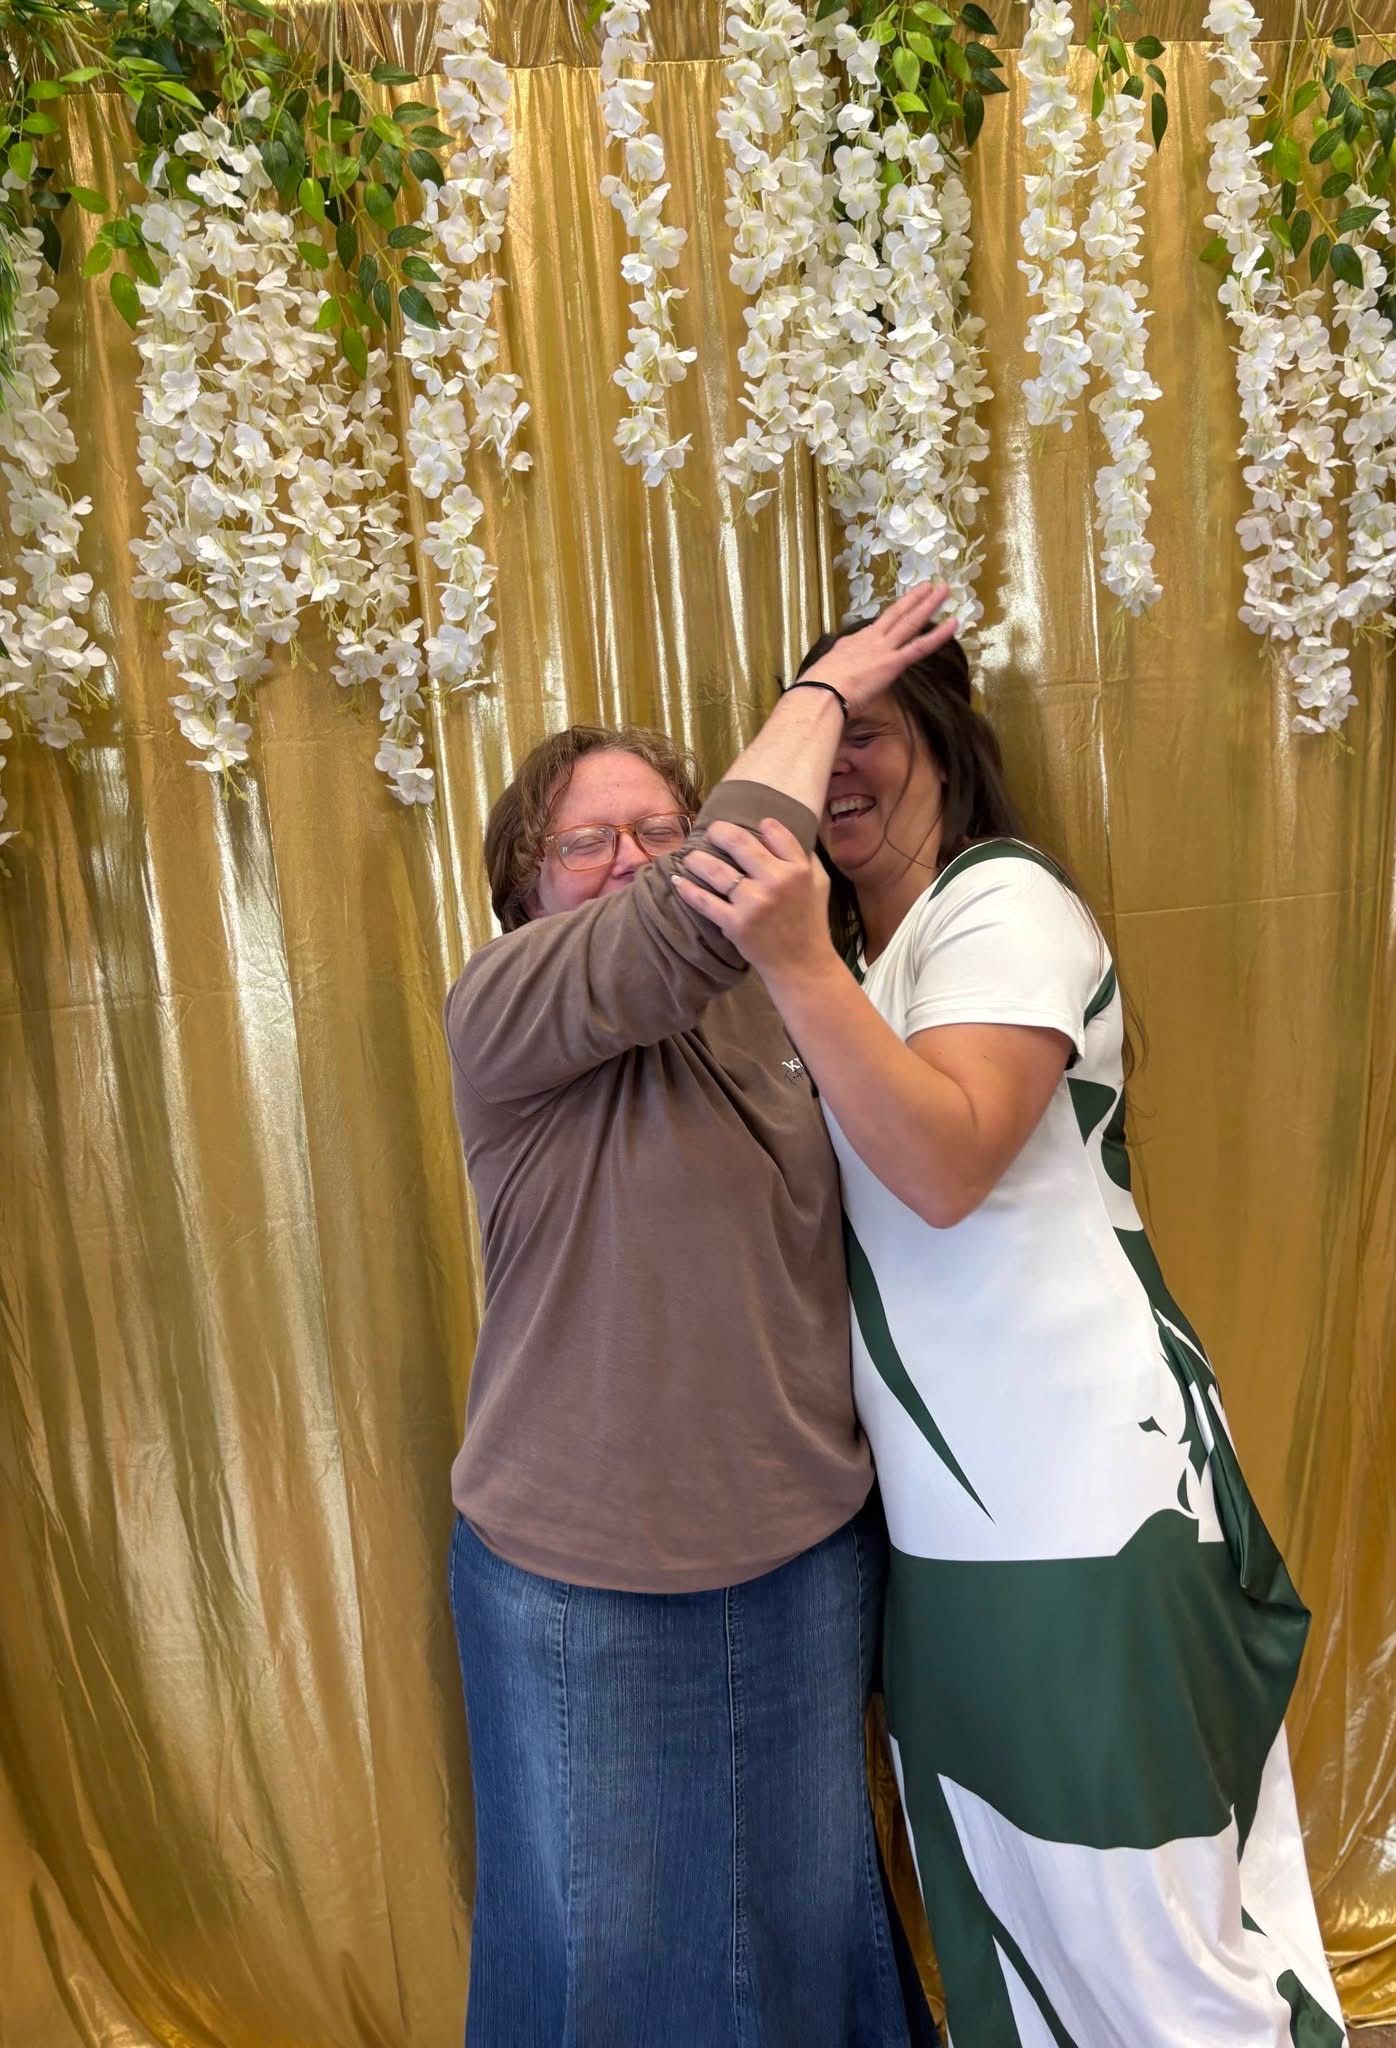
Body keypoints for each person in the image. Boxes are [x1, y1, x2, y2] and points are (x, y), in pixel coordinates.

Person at [674, 624, 1349, 2048]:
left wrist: (795, 960)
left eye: (867, 725)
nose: (838, 766)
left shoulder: (1003, 904)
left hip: (1087, 1499)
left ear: (941, 738)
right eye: (818, 733)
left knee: (1140, 1924)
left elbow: (946, 1164)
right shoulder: (870, 955)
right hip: (945, 1522)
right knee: (1014, 1927)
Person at [441, 591, 954, 2047]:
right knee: (611, 1959)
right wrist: (827, 688)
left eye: (659, 831)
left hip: (800, 1558)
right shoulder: (507, 1007)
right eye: (587, 842)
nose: (634, 863)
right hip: (583, 1584)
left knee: (798, 1931)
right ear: (525, 887)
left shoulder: (793, 1005)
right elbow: (686, 923)